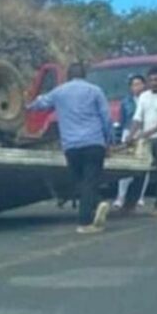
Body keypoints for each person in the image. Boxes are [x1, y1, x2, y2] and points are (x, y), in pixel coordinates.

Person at [27, 63, 112, 234]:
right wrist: (109, 141)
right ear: (84, 75)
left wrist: (23, 105)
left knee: (80, 182)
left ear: (68, 76)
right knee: (90, 181)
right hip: (94, 142)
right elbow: (106, 118)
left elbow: (40, 103)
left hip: (71, 146)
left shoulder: (59, 92)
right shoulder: (95, 90)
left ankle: (92, 212)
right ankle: (91, 213)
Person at [125, 67, 157, 217]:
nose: (154, 83)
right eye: (151, 80)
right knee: (139, 171)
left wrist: (147, 133)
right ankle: (129, 204)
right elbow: (138, 117)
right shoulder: (144, 96)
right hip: (146, 140)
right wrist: (131, 134)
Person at [113, 74, 149, 210]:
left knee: (143, 166)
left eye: (139, 84)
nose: (137, 87)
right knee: (125, 166)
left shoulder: (148, 100)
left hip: (144, 132)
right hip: (128, 133)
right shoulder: (125, 102)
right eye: (134, 84)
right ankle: (121, 196)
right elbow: (122, 121)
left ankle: (139, 196)